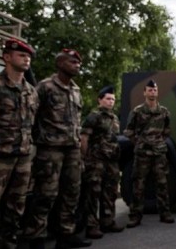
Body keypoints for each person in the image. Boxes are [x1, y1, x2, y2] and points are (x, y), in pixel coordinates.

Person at [22, 49, 91, 249]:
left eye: (78, 63)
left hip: (72, 150)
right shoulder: (45, 87)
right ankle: (37, 237)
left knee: (71, 193)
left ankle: (65, 234)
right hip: (50, 149)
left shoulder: (76, 90)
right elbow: (31, 116)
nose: (77, 65)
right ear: (60, 63)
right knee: (46, 194)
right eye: (72, 62)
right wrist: (40, 140)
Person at [0, 39, 38, 249]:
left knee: (15, 210)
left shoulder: (31, 92)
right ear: (7, 57)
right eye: (21, 55)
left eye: (28, 56)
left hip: (22, 159)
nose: (26, 59)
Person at [124, 79, 174, 228]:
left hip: (159, 153)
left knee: (162, 184)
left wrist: (158, 141)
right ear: (144, 92)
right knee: (139, 185)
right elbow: (129, 131)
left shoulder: (164, 111)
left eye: (155, 90)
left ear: (157, 92)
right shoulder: (137, 111)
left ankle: (165, 213)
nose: (152, 92)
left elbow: (167, 130)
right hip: (142, 154)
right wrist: (139, 143)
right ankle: (135, 216)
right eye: (150, 90)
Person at [80, 86, 125, 239]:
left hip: (111, 161)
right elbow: (84, 137)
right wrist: (84, 158)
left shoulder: (115, 118)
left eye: (113, 99)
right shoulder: (94, 116)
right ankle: (92, 226)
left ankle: (108, 221)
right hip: (96, 160)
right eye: (107, 98)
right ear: (100, 100)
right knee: (93, 193)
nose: (110, 101)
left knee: (110, 192)